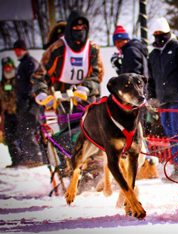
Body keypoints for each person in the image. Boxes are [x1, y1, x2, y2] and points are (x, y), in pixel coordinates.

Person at [31, 10, 104, 174]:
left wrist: (86, 87)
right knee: (67, 138)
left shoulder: (93, 49)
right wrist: (42, 93)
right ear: (70, 28)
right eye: (76, 27)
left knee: (91, 134)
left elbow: (97, 75)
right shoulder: (57, 48)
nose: (80, 30)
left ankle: (95, 169)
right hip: (63, 102)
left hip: (87, 100)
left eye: (83, 26)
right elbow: (39, 75)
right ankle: (70, 169)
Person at [148, 17, 178, 182]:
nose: (158, 36)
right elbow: (151, 78)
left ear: (167, 32)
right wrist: (152, 97)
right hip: (163, 101)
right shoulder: (153, 54)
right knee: (170, 135)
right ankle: (177, 168)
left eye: (160, 33)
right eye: (155, 34)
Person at [13, 39, 44, 167]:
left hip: (31, 105)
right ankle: (31, 158)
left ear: (24, 49)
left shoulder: (30, 63)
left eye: (19, 49)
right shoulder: (22, 64)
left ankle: (36, 159)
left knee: (29, 131)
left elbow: (36, 82)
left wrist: (31, 101)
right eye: (15, 50)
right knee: (24, 131)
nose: (17, 52)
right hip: (23, 104)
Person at [0, 57, 20, 167]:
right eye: (5, 66)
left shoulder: (18, 80)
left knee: (20, 136)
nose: (7, 68)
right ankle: (15, 161)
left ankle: (23, 160)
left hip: (19, 113)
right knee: (9, 137)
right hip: (7, 114)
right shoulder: (3, 82)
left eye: (8, 66)